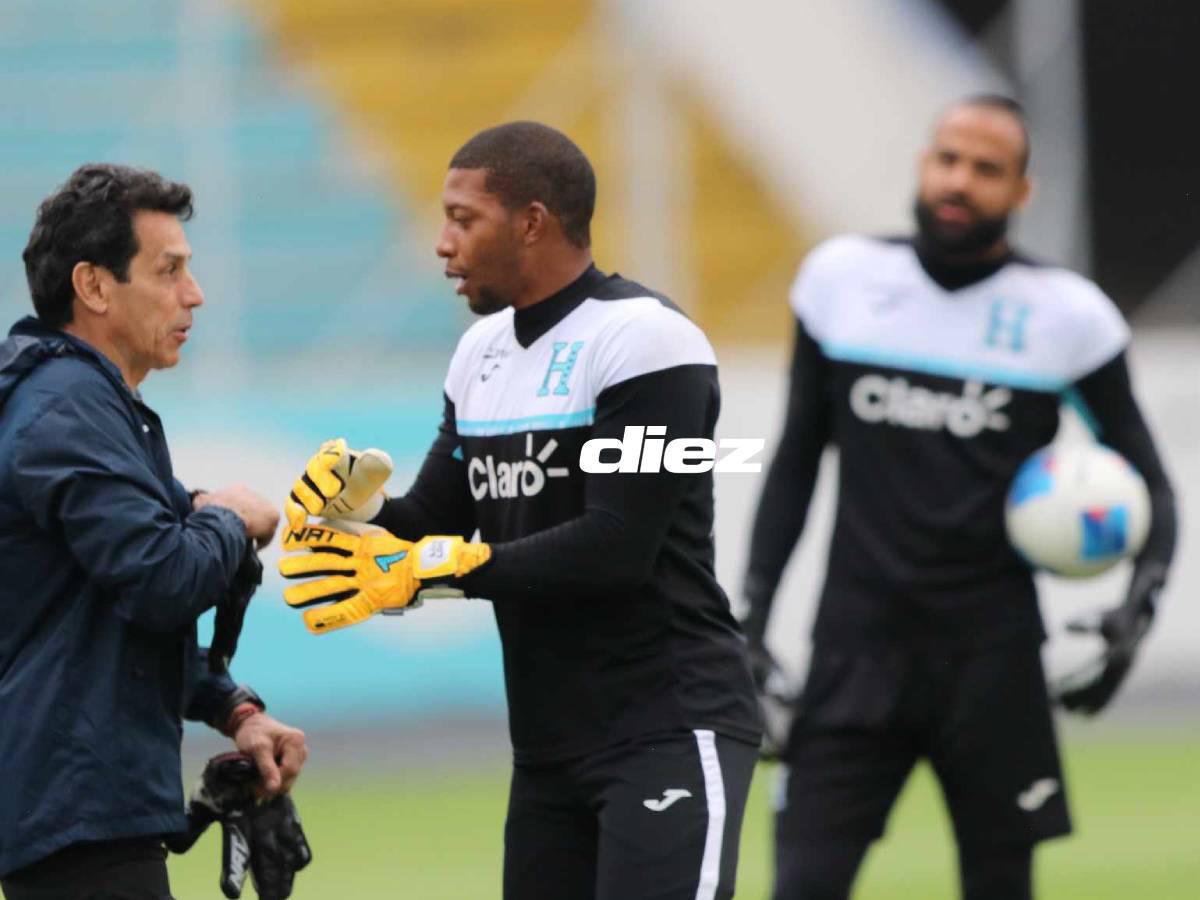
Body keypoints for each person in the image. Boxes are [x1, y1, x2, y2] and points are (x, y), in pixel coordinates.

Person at [279, 121, 761, 899]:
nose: (442, 243)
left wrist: (432, 570)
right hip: (548, 747)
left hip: (667, 725)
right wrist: (349, 527)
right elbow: (438, 521)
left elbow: (618, 545)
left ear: (532, 221)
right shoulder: (481, 353)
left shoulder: (646, 341)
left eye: (463, 219)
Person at [742, 95, 1178, 900]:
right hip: (853, 654)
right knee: (801, 884)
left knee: (1000, 884)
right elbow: (796, 462)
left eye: (986, 170)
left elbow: (1151, 483)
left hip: (994, 661)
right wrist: (753, 621)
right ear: (924, 164)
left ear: (1021, 192)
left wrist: (1135, 611)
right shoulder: (841, 282)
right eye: (948, 159)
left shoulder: (1068, 317)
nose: (959, 181)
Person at [0, 164, 309, 900]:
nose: (193, 294)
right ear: (95, 286)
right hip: (75, 812)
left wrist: (234, 709)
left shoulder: (85, 402)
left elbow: (111, 608)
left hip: (80, 806)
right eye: (168, 271)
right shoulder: (67, 410)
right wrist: (229, 521)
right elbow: (161, 581)